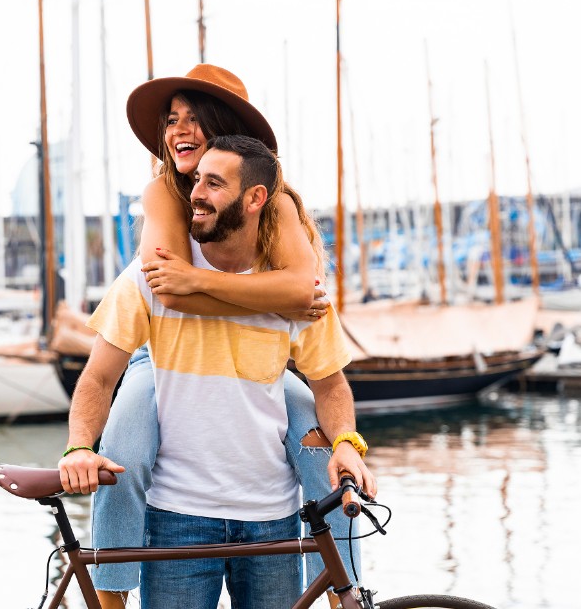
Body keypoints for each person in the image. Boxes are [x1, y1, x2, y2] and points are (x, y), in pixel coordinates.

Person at [60, 135, 377, 609]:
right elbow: (99, 379)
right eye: (196, 180)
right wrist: (80, 446)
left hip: (272, 521)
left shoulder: (296, 298)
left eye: (214, 183)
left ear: (255, 198)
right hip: (177, 518)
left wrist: (348, 444)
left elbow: (329, 385)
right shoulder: (151, 278)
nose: (196, 193)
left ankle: (345, 592)